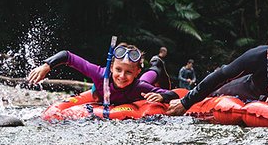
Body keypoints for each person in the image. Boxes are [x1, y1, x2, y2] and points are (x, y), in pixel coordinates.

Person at [167, 17, 268, 115]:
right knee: (214, 92)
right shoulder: (257, 56)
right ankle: (169, 95)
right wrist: (185, 102)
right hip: (242, 90)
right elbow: (221, 75)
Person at [28, 42, 179, 105]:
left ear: (136, 72)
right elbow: (68, 56)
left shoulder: (141, 87)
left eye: (128, 72)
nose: (121, 76)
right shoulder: (100, 75)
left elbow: (175, 95)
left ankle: (156, 64)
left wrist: (162, 96)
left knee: (152, 75)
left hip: (141, 84)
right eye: (118, 70)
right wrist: (46, 66)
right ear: (111, 67)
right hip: (104, 94)